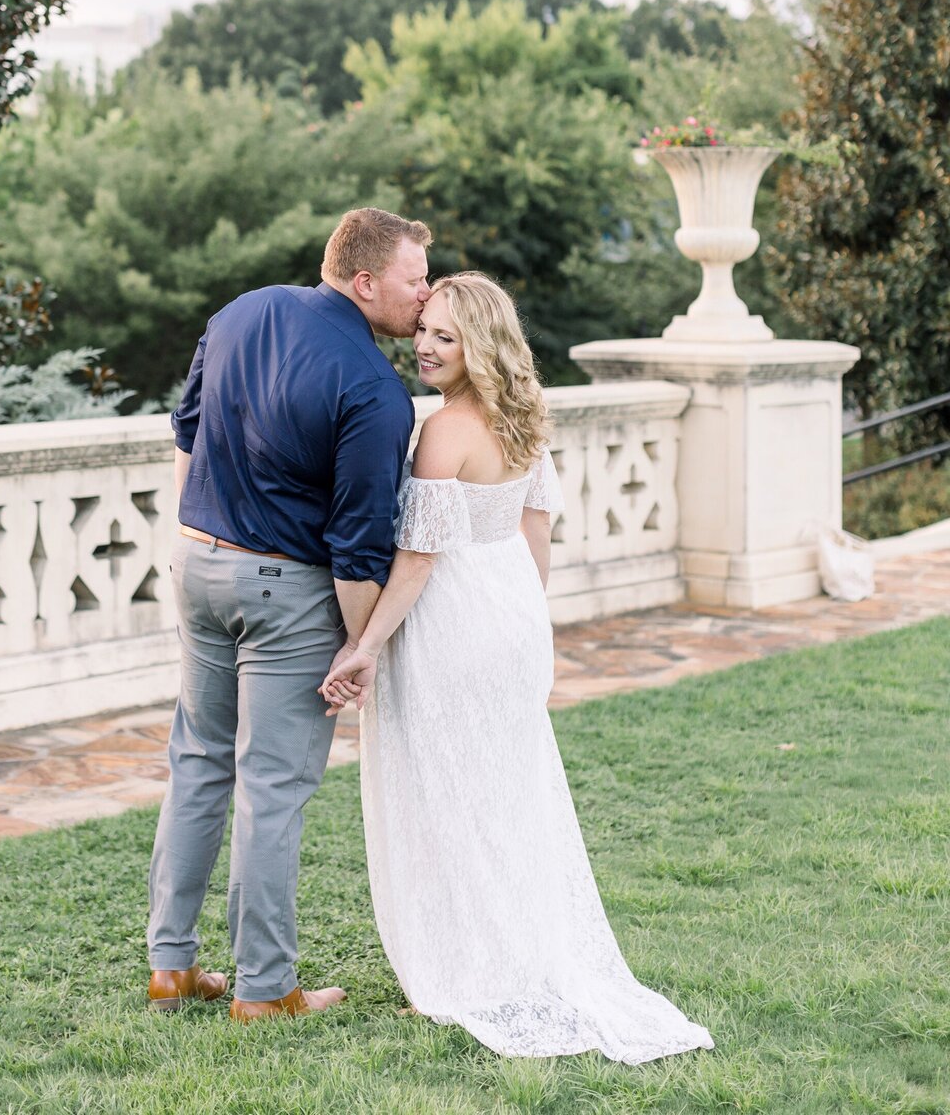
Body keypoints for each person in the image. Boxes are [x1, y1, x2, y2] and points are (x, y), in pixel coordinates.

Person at [320, 272, 714, 1063]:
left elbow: (419, 561)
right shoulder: (527, 414)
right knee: (502, 797)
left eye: (445, 337)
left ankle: (455, 974)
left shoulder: (443, 431)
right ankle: (504, 957)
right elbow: (536, 535)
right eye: (424, 328)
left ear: (481, 345)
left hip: (453, 623)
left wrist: (364, 646)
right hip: (511, 613)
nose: (425, 347)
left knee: (441, 798)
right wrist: (533, 627)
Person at [146, 207, 432, 1021]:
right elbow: (356, 544)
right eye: (415, 281)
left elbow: (186, 433)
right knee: (271, 786)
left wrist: (204, 533)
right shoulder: (376, 388)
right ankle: (266, 989)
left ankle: (171, 968)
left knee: (197, 761)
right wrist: (361, 646)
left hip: (196, 564)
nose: (426, 296)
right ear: (366, 280)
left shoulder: (239, 313)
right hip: (288, 591)